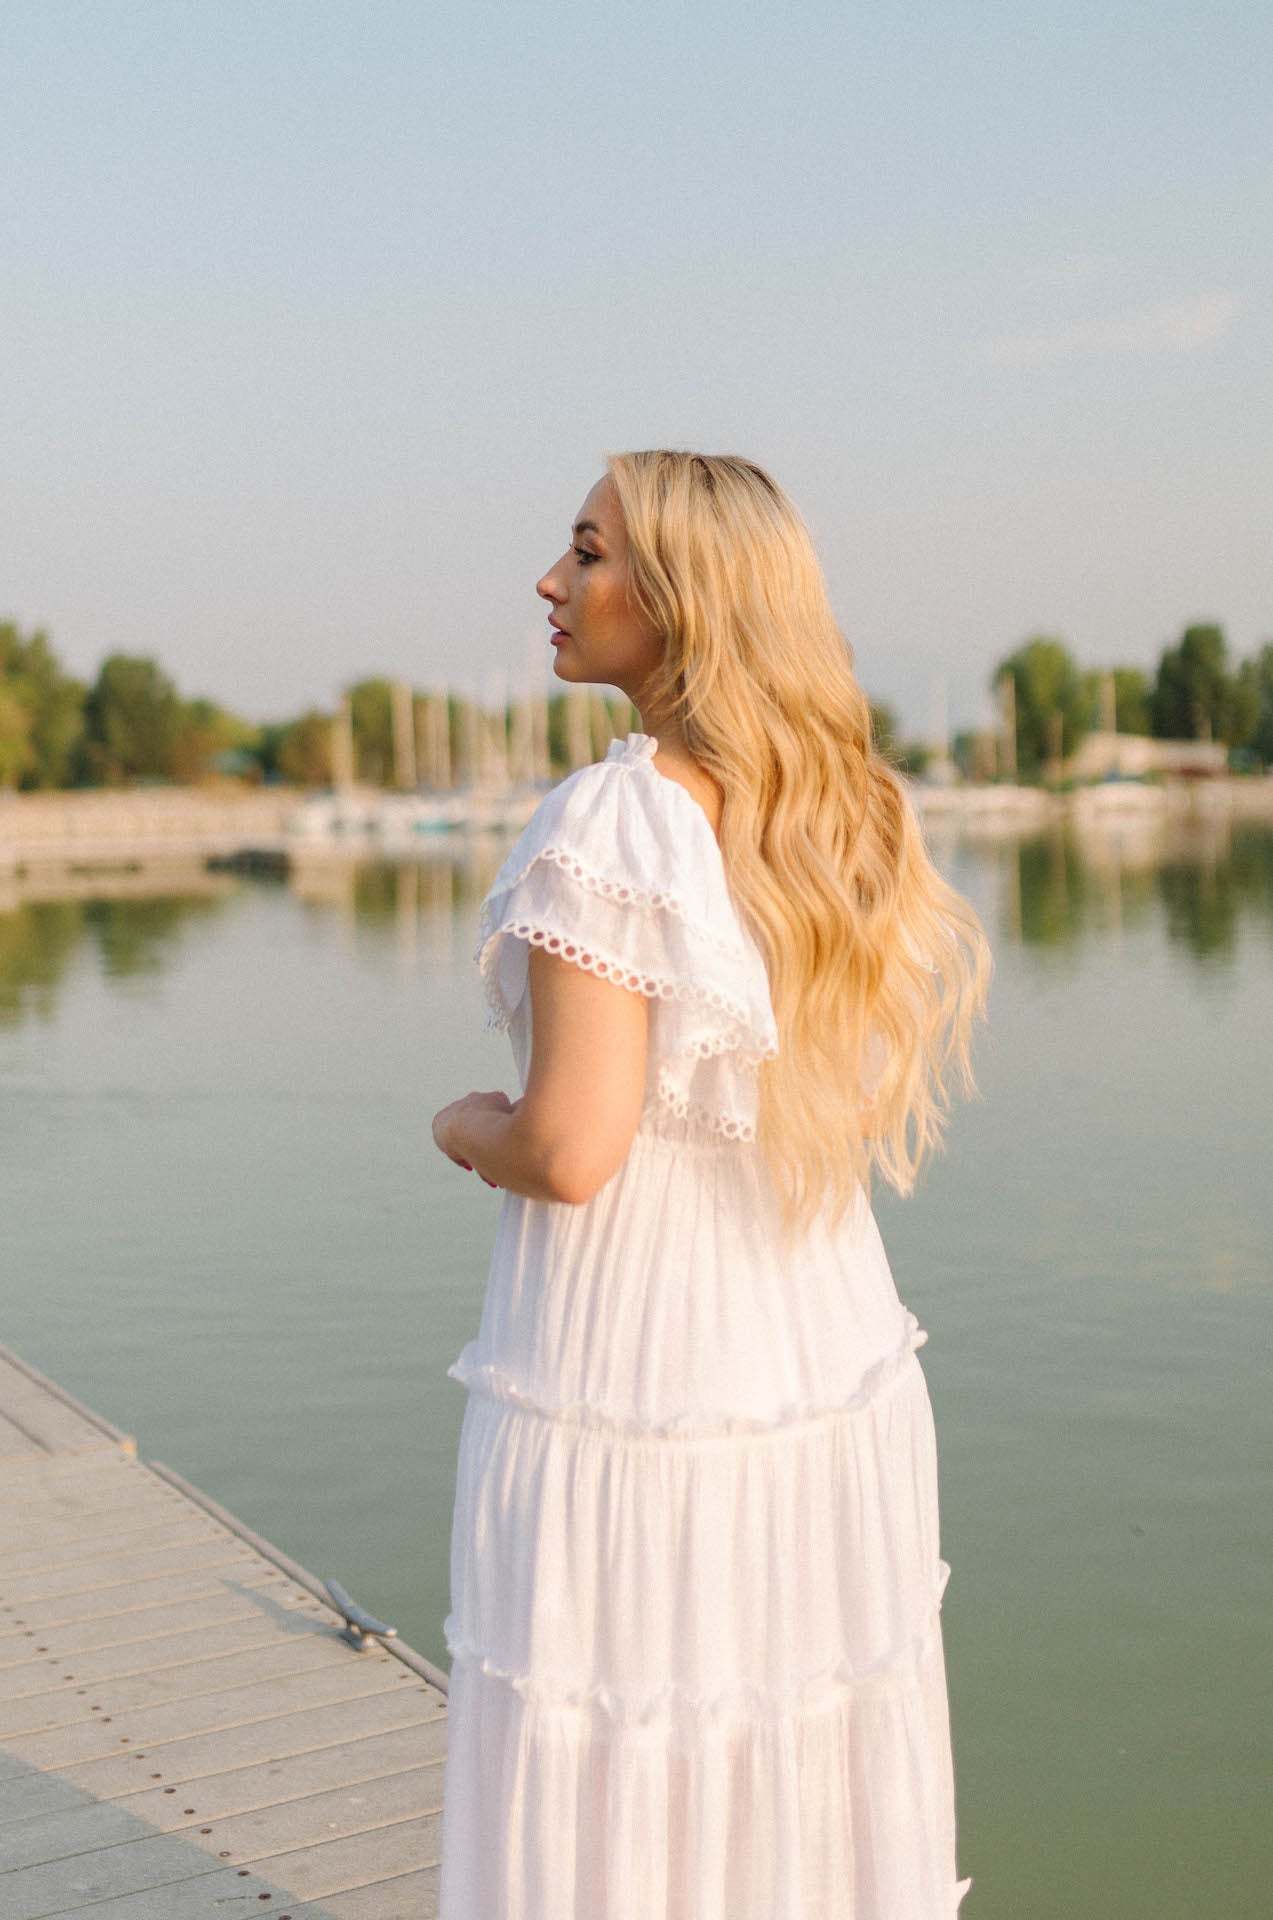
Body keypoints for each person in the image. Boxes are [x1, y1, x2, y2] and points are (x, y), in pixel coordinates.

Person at [431, 450, 991, 1918]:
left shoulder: (615, 822)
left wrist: (462, 1127)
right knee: (783, 1759)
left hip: (641, 1382)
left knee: (625, 1762)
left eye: (587, 554)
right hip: (817, 1368)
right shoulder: (836, 809)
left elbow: (568, 1148)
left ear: (683, 601)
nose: (549, 584)